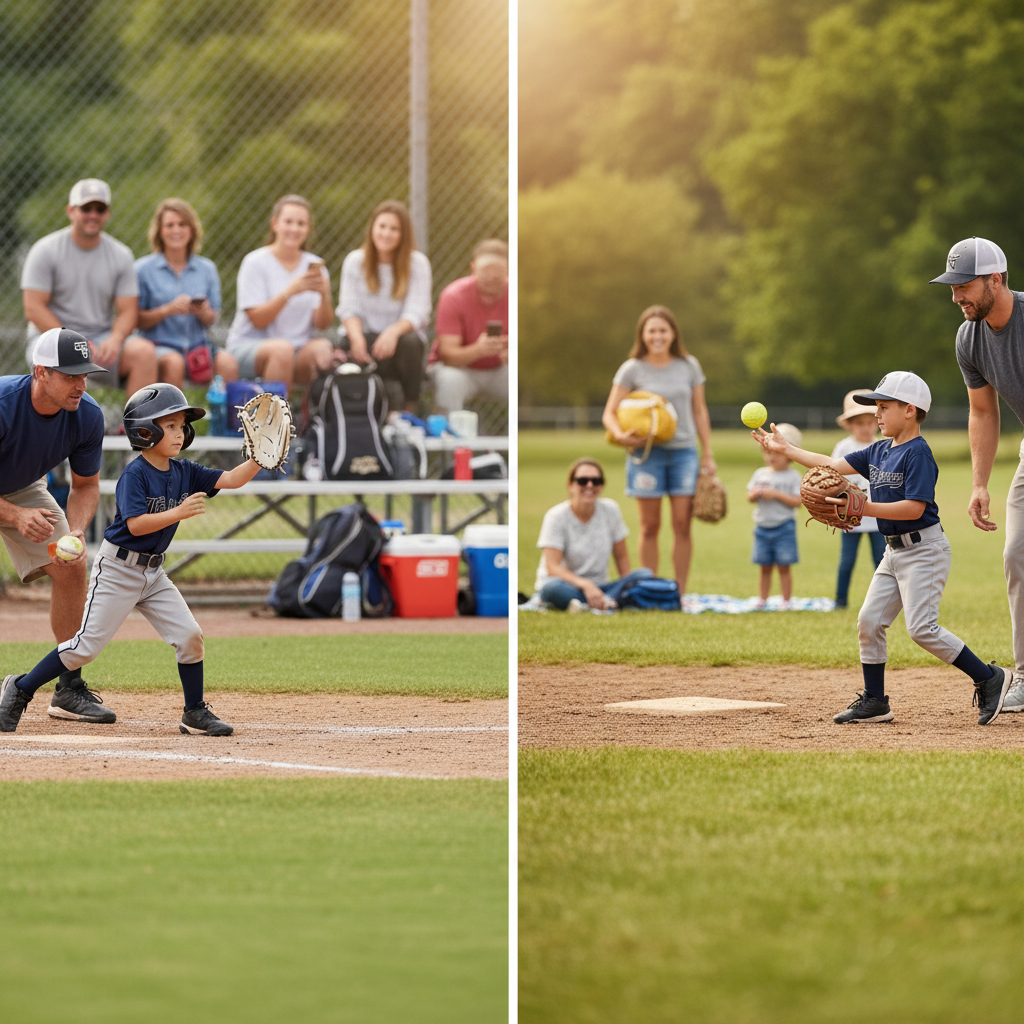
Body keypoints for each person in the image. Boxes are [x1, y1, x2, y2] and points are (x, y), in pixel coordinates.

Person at [0, 383, 265, 735]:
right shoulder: (135, 474)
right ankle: (20, 688)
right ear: (145, 431)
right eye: (169, 425)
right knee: (84, 648)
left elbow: (231, 479)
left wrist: (258, 459)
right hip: (118, 570)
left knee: (190, 636)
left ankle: (194, 711)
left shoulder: (185, 470)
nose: (179, 432)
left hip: (154, 574)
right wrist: (179, 512)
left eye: (181, 425)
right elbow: (137, 525)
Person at [753, 371, 1013, 726]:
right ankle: (875, 701)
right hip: (894, 552)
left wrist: (863, 507)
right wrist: (786, 449)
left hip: (925, 550)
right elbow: (831, 465)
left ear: (909, 410)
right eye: (876, 407)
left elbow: (914, 508)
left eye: (883, 406)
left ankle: (989, 677)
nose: (876, 414)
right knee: (869, 620)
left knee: (922, 629)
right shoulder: (877, 450)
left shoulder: (918, 454)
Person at [0, 328, 117, 724]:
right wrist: (15, 516)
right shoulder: (3, 405)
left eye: (84, 375)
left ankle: (68, 688)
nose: (80, 385)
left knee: (71, 565)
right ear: (40, 373)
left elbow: (85, 486)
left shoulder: (86, 416)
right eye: (70, 375)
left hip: (20, 488)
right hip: (12, 503)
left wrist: (78, 530)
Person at [930, 238, 1024, 713]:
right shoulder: (969, 338)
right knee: (1017, 552)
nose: (957, 297)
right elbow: (983, 412)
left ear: (997, 279)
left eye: (964, 286)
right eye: (952, 288)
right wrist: (980, 483)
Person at [601, 304, 715, 596]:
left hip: (683, 453)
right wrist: (620, 436)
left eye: (663, 330)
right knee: (650, 526)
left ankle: (679, 591)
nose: (657, 336)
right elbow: (609, 413)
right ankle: (651, 590)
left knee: (682, 525)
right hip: (645, 456)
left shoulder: (689, 365)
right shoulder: (632, 368)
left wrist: (708, 454)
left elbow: (699, 411)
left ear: (673, 333)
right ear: (643, 334)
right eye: (651, 330)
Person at [21, 178, 157, 397]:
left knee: (144, 352)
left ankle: (135, 428)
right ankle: (52, 430)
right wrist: (73, 344)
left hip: (101, 341)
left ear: (107, 214)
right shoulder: (45, 250)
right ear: (71, 210)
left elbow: (128, 311)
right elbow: (33, 308)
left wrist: (115, 339)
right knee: (49, 361)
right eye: (86, 208)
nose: (93, 214)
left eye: (100, 209)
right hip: (52, 338)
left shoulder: (121, 255)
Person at [226, 194, 335, 391]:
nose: (294, 229)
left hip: (298, 349)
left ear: (308, 229)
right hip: (250, 347)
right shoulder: (255, 262)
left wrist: (325, 295)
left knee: (323, 348)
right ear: (275, 224)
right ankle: (276, 421)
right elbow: (258, 320)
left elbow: (323, 324)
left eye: (301, 223)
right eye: (288, 222)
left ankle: (312, 418)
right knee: (282, 350)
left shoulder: (315, 266)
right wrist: (291, 291)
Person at [337, 200, 432, 410]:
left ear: (403, 234)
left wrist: (393, 333)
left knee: (411, 343)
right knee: (345, 345)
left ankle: (409, 411)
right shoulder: (355, 261)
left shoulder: (417, 264)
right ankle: (355, 412)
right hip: (366, 339)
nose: (386, 234)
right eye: (382, 226)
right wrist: (357, 338)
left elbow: (418, 311)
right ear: (372, 228)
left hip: (398, 343)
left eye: (394, 229)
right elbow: (348, 308)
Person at [135, 197, 239, 389]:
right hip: (159, 346)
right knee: (174, 362)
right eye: (169, 225)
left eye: (182, 224)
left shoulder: (206, 268)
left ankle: (226, 419)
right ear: (160, 231)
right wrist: (167, 310)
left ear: (192, 230)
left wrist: (204, 312)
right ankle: (174, 419)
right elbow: (137, 319)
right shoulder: (143, 269)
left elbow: (212, 318)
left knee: (228, 363)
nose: (176, 230)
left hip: (198, 346)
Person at [534, 458, 653, 611]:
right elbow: (552, 567)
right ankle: (607, 602)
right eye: (582, 481)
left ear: (601, 485)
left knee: (645, 574)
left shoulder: (611, 510)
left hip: (601, 587)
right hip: (567, 585)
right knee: (551, 588)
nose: (590, 485)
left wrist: (627, 587)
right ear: (570, 485)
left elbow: (621, 556)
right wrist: (585, 585)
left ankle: (591, 604)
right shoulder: (556, 516)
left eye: (596, 481)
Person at [428, 238, 508, 413]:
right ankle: (447, 437)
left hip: (499, 371)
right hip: (460, 370)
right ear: (473, 268)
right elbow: (448, 356)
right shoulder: (454, 296)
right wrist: (479, 349)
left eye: (499, 270)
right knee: (451, 380)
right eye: (486, 269)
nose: (492, 276)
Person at [832, 390, 886, 609]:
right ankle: (840, 600)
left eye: (870, 422)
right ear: (850, 424)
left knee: (881, 563)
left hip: (878, 517)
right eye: (860, 423)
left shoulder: (884, 446)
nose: (866, 427)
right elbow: (834, 478)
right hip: (850, 517)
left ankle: (884, 603)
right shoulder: (843, 448)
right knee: (847, 562)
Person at [746, 422, 803, 609]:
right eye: (768, 452)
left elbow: (798, 502)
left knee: (784, 566)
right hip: (762, 526)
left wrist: (777, 495)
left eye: (777, 453)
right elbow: (749, 496)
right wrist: (755, 495)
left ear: (789, 455)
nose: (771, 457)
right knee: (764, 566)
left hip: (784, 526)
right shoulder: (760, 474)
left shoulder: (793, 476)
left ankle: (786, 600)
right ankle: (763, 599)